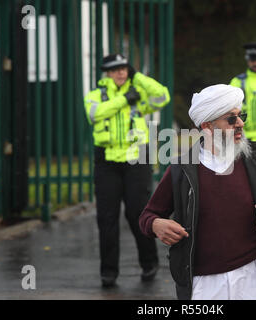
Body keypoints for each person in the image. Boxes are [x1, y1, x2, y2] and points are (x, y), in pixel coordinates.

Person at [139, 84, 256, 300]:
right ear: (207, 125)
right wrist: (156, 225)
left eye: (241, 115)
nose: (240, 123)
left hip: (254, 273)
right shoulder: (182, 168)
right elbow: (148, 216)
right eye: (231, 119)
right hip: (204, 282)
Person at [84, 54, 170, 287]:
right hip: (107, 162)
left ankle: (149, 262)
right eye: (115, 69)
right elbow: (94, 115)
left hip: (137, 160)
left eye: (124, 69)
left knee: (138, 213)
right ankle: (108, 272)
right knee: (107, 218)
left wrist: (138, 77)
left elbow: (163, 95)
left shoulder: (139, 94)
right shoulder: (95, 96)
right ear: (107, 73)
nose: (121, 73)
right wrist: (124, 99)